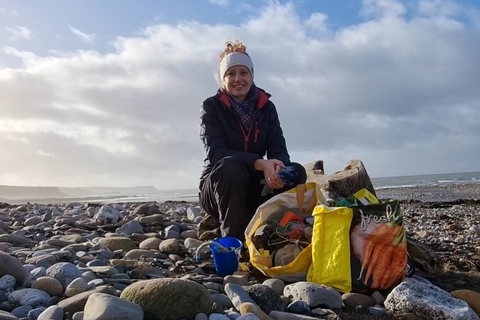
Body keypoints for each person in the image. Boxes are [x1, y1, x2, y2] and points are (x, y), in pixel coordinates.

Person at [198, 40, 307, 241]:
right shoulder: (211, 107)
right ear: (223, 79)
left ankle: (277, 231)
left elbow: (278, 147)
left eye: (243, 72)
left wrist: (275, 168)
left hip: (253, 185)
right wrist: (259, 163)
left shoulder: (266, 107)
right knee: (230, 166)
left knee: (296, 172)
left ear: (252, 75)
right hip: (217, 187)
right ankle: (233, 242)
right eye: (231, 74)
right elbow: (216, 153)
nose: (238, 79)